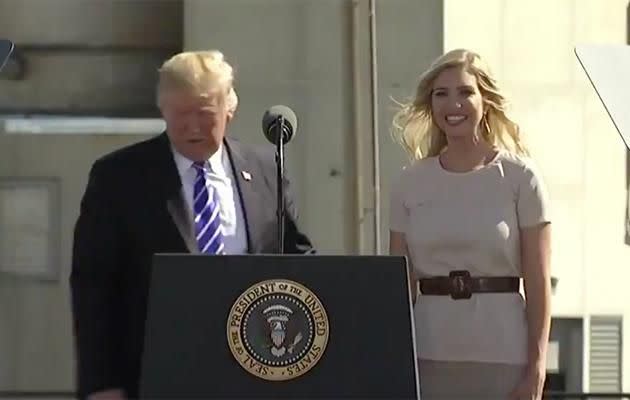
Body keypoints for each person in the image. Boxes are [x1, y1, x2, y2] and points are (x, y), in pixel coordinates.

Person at [70, 50, 314, 400]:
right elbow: (93, 286)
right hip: (154, 371)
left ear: (230, 108)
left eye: (204, 113)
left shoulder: (264, 171)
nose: (192, 126)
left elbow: (295, 258)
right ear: (162, 109)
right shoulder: (119, 177)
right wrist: (102, 383)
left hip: (254, 368)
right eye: (179, 113)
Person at [389, 48, 552, 400]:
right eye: (441, 94)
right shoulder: (409, 183)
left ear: (485, 100)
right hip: (427, 356)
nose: (453, 104)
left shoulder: (520, 177)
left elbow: (538, 283)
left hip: (503, 356)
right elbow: (399, 286)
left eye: (465, 92)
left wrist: (537, 368)